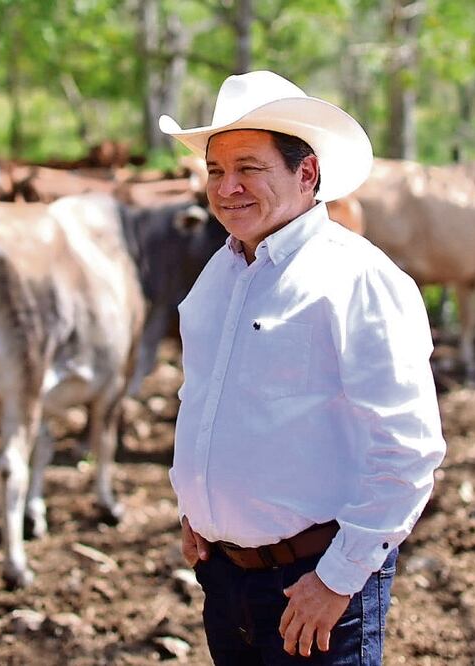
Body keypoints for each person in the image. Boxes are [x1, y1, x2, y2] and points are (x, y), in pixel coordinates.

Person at [160, 70, 446, 665]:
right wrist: (196, 506)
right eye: (216, 171)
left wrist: (339, 580)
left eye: (249, 168)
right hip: (225, 576)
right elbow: (206, 400)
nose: (227, 187)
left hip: (313, 583)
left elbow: (408, 449)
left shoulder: (357, 278)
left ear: (306, 174)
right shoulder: (219, 276)